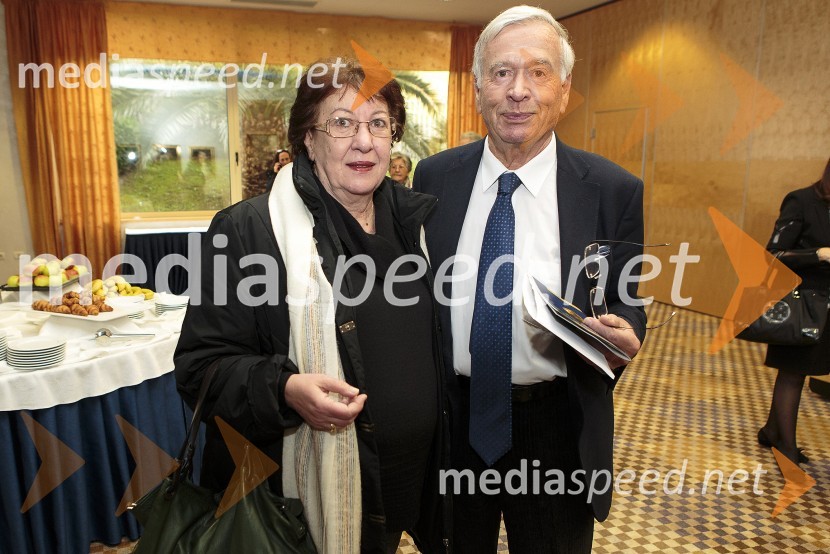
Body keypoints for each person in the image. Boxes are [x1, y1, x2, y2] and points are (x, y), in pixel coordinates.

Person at [174, 59, 448, 554]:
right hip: (295, 504)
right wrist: (285, 389)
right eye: (342, 122)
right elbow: (200, 371)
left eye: (378, 124)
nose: (363, 142)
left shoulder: (420, 226)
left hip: (405, 484)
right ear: (308, 137)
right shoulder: (246, 232)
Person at [414, 6, 645, 553]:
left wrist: (627, 330)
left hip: (558, 425)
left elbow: (626, 297)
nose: (518, 90)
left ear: (564, 91)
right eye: (501, 73)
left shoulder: (613, 190)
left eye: (538, 73)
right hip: (454, 419)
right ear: (477, 89)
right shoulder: (434, 177)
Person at [758, 158, 830, 466]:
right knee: (793, 372)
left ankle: (771, 431)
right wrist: (817, 254)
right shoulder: (802, 200)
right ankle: (785, 446)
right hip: (802, 303)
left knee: (804, 368)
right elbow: (772, 255)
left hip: (827, 307)